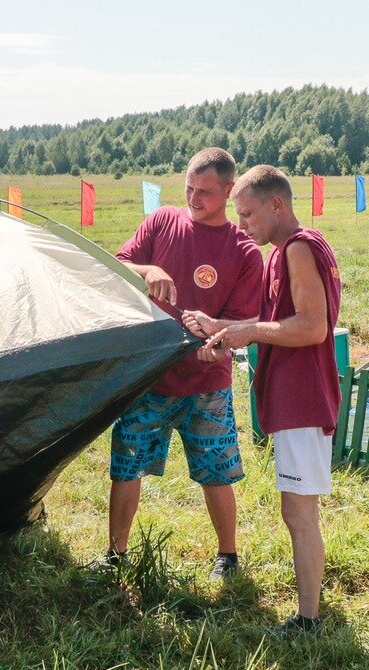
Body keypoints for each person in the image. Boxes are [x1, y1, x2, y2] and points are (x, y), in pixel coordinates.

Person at [182, 165, 341, 635]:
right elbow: (275, 319)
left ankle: (308, 620)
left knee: (299, 513)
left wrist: (247, 333)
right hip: (296, 397)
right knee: (299, 510)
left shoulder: (297, 249)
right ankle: (311, 609)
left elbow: (312, 327)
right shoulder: (284, 251)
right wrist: (223, 327)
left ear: (277, 204)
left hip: (303, 397)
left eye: (248, 214)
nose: (242, 224)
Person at [104, 148, 263, 579]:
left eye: (205, 192)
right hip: (149, 377)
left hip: (207, 384)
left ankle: (227, 556)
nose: (194, 199)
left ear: (229, 190)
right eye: (189, 188)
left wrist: (216, 345)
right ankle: (115, 554)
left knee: (216, 473)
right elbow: (117, 266)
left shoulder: (245, 252)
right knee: (126, 465)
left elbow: (242, 323)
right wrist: (147, 269)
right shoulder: (162, 222)